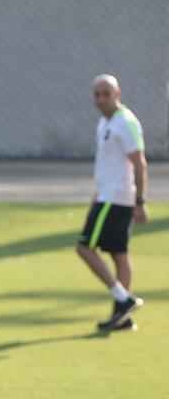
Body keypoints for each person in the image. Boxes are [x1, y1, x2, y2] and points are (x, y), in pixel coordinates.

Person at [76, 74, 149, 332]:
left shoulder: (125, 123)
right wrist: (96, 193)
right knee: (119, 254)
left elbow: (139, 163)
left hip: (116, 198)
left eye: (106, 93)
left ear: (117, 94)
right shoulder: (104, 122)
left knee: (84, 248)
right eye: (97, 94)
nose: (101, 99)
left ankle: (123, 297)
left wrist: (140, 201)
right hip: (106, 195)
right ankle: (123, 317)